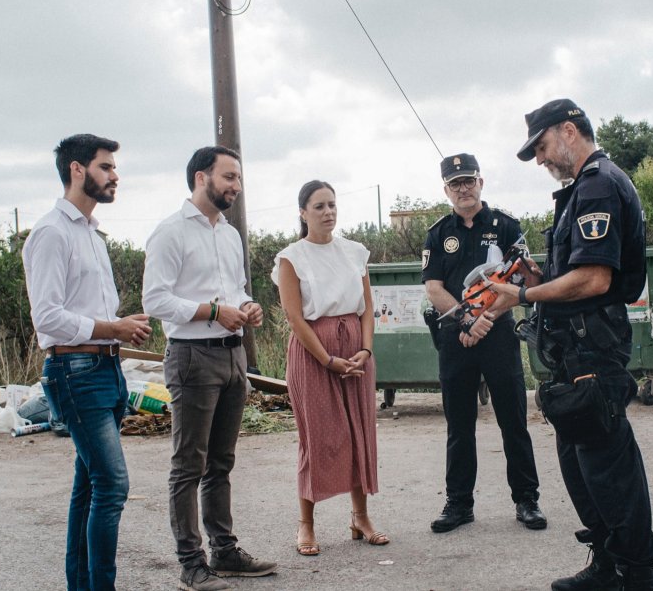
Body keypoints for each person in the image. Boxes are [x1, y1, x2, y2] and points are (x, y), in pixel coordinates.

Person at [490, 99, 653, 591]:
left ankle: (635, 572)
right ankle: (608, 563)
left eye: (541, 148)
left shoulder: (599, 184)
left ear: (569, 131)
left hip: (594, 344)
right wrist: (540, 277)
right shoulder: (581, 188)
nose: (540, 160)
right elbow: (574, 273)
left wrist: (522, 294)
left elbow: (592, 279)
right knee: (580, 461)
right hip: (574, 347)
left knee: (608, 467)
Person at [142, 147, 277, 590]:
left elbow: (235, 288)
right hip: (192, 357)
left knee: (222, 461)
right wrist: (213, 311)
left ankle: (225, 551)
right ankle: (191, 563)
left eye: (238, 178)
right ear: (202, 177)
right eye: (229, 177)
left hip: (233, 355)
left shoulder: (230, 234)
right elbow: (155, 301)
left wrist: (247, 306)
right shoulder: (170, 232)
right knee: (189, 464)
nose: (236, 186)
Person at [22, 134, 152, 590]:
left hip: (105, 370)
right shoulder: (51, 232)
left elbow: (85, 310)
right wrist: (111, 328)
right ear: (77, 170)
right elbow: (48, 316)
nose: (115, 175)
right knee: (112, 486)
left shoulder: (91, 234)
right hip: (74, 374)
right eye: (106, 167)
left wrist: (119, 327)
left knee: (90, 485)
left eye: (114, 168)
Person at [421, 153, 545, 534]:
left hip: (498, 333)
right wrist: (466, 319)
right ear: (446, 189)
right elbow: (434, 288)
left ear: (481, 182)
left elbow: (524, 283)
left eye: (468, 181)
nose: (463, 189)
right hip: (456, 336)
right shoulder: (439, 232)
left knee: (513, 421)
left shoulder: (506, 226)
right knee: (460, 425)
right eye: (455, 183)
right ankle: (459, 504)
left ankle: (527, 500)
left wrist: (486, 318)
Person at [272, 180, 387, 557]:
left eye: (332, 205)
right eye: (319, 206)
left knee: (359, 433)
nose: (328, 212)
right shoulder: (291, 257)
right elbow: (293, 315)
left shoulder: (354, 252)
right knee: (318, 438)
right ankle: (306, 523)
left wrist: (366, 349)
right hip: (314, 354)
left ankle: (360, 517)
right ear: (303, 212)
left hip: (355, 350)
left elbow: (367, 308)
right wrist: (326, 358)